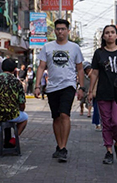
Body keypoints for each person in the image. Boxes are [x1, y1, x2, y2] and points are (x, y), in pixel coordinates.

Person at [34, 18, 85, 163]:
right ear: (54, 31)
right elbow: (41, 67)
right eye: (58, 29)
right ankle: (59, 145)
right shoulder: (47, 47)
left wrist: (81, 87)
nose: (60, 31)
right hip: (52, 87)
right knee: (56, 117)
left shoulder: (74, 47)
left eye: (63, 29)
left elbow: (80, 69)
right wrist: (37, 86)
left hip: (68, 85)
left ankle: (63, 148)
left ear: (68, 31)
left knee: (64, 114)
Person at [88, 24, 117, 165]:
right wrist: (90, 91)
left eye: (112, 32)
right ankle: (109, 151)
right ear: (103, 36)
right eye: (107, 33)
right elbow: (94, 72)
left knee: (116, 122)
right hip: (103, 93)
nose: (110, 35)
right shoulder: (99, 53)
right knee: (106, 123)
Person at [0, 58, 29, 142]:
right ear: (14, 70)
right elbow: (22, 102)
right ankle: (14, 138)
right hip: (12, 115)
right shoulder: (17, 82)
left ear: (2, 68)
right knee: (25, 118)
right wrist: (20, 109)